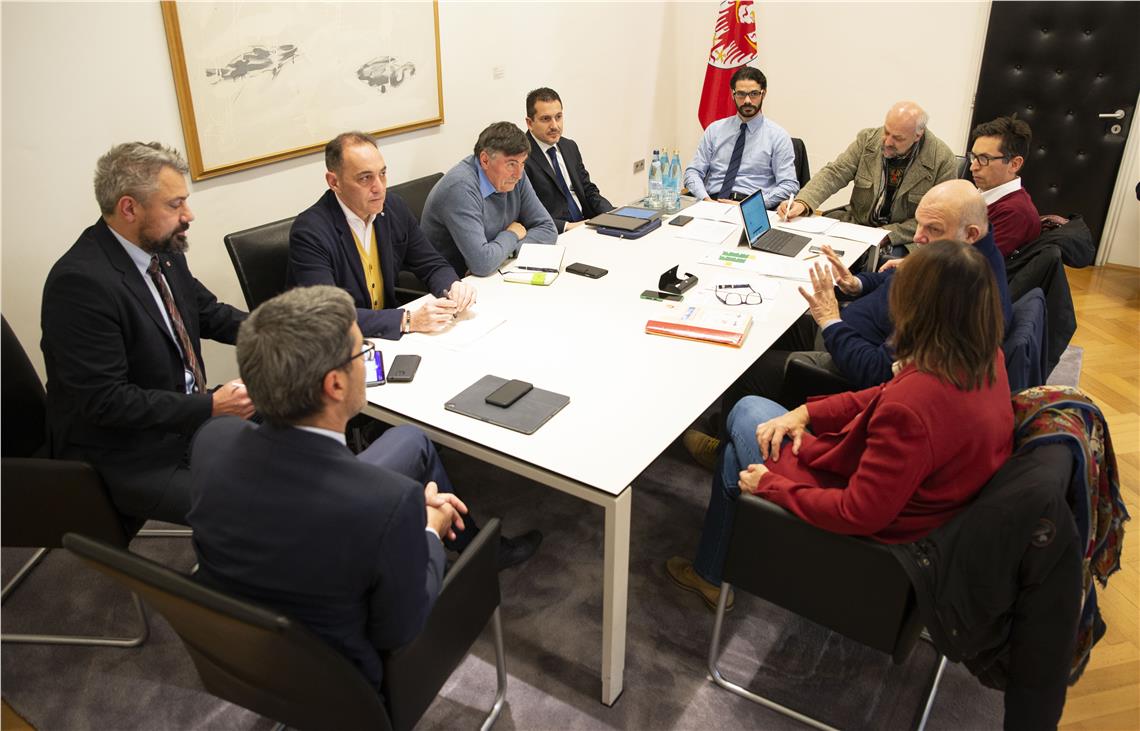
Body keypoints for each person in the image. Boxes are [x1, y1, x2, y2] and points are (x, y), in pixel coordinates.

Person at [667, 240, 1014, 611]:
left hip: (872, 545)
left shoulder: (913, 409)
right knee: (744, 438)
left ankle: (714, 570)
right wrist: (807, 412)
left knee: (747, 414)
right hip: (911, 507)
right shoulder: (980, 358)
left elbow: (858, 513)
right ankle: (712, 572)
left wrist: (771, 486)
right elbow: (884, 394)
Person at [188, 285, 469, 691]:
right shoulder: (387, 503)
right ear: (336, 385)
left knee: (410, 440)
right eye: (362, 352)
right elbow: (400, 629)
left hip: (239, 662)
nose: (366, 361)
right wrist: (428, 527)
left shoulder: (212, 440)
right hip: (346, 689)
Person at [684, 180, 1013, 467]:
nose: (918, 237)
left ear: (970, 233)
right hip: (842, 329)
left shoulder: (960, 294)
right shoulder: (956, 256)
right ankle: (726, 420)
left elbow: (878, 374)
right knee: (767, 323)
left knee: (752, 368)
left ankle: (726, 449)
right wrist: (858, 284)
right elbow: (891, 280)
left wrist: (831, 323)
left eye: (932, 230)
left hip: (843, 363)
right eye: (919, 225)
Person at [41, 141, 253, 525]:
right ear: (129, 208)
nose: (189, 215)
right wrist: (210, 406)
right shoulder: (80, 283)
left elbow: (211, 314)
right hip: (127, 453)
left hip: (185, 420)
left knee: (300, 441)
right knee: (251, 506)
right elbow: (106, 402)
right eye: (175, 204)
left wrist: (288, 334)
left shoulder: (163, 252)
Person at [288, 132, 477, 340]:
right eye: (365, 178)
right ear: (334, 182)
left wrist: (453, 287)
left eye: (383, 174)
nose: (379, 188)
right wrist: (408, 320)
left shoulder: (393, 208)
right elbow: (329, 315)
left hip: (385, 336)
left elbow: (431, 263)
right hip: (338, 342)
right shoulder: (310, 232)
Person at [777, 101, 957, 245]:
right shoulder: (868, 140)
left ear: (918, 135)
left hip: (901, 238)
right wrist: (803, 202)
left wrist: (888, 235)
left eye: (898, 138)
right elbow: (835, 173)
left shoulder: (942, 160)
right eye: (886, 131)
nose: (887, 141)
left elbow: (938, 220)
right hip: (859, 224)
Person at [421, 122, 557, 277]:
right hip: (453, 282)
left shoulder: (515, 176)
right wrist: (511, 235)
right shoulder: (460, 188)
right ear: (485, 160)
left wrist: (507, 253)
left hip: (494, 272)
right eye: (511, 164)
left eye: (523, 163)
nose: (518, 174)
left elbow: (548, 229)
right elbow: (482, 264)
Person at [683, 66, 799, 207]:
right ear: (733, 94)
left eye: (754, 94)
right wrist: (705, 199)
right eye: (741, 94)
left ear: (763, 94)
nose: (747, 101)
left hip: (752, 207)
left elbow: (789, 185)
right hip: (712, 203)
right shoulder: (714, 130)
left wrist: (750, 206)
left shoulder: (778, 136)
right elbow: (693, 172)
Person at [523, 87, 613, 232]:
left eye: (558, 117)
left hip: (586, 224)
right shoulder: (520, 157)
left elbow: (588, 190)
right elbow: (525, 213)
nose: (554, 126)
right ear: (529, 123)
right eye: (546, 119)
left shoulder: (569, 146)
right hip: (555, 233)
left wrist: (611, 215)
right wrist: (567, 227)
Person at [968, 116, 1042, 257]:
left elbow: (972, 263)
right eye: (973, 157)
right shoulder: (981, 195)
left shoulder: (1015, 213)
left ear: (1014, 164)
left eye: (984, 159)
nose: (973, 167)